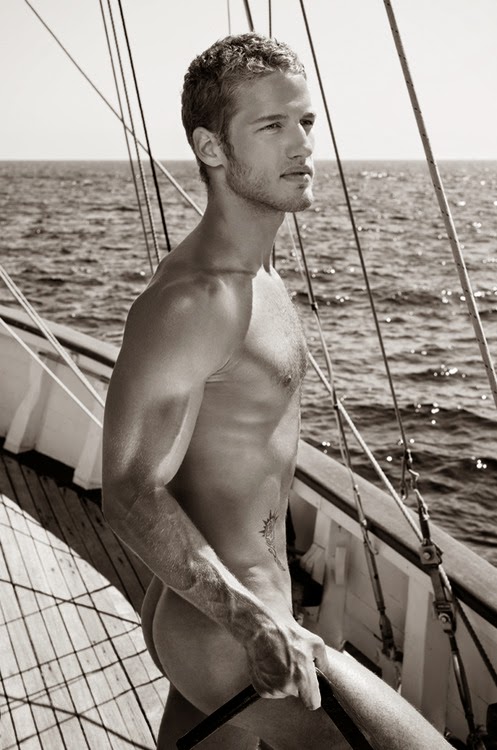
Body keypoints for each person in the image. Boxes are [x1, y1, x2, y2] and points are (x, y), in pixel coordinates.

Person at [102, 33, 451, 750]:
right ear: (211, 148)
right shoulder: (197, 298)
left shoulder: (261, 277)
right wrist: (253, 621)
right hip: (232, 633)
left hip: (229, 613)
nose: (302, 145)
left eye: (305, 121)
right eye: (271, 126)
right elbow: (130, 492)